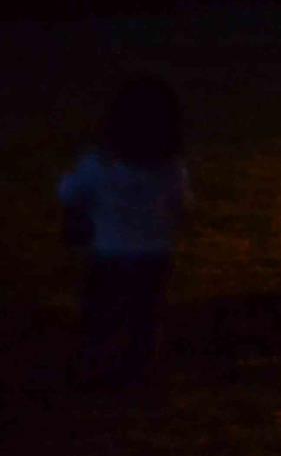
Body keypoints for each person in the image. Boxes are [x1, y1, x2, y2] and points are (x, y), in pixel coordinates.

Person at [59, 75, 191, 387]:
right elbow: (181, 205)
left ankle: (98, 364)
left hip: (108, 253)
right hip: (154, 254)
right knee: (145, 315)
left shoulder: (98, 165)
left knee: (102, 313)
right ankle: (138, 368)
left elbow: (68, 193)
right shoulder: (170, 168)